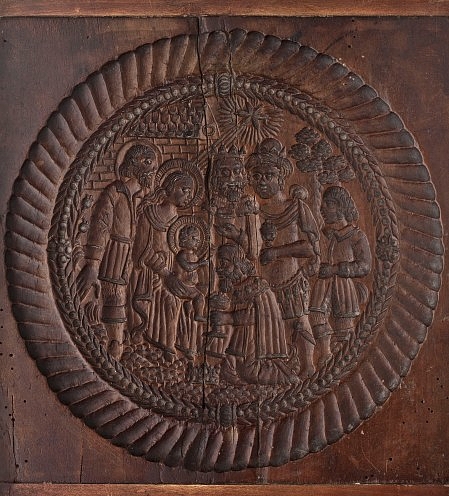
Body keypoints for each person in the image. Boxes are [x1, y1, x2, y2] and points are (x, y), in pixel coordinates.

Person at [246, 138, 320, 378]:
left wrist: (277, 252)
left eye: (269, 175)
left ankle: (308, 366)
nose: (262, 181)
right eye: (257, 176)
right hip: (265, 284)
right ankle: (279, 369)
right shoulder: (256, 211)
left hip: (292, 280)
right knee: (271, 327)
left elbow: (310, 247)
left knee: (298, 321)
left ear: (281, 178)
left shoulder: (296, 207)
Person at [77, 143, 159, 359]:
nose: (153, 170)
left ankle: (117, 346)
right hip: (112, 258)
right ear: (133, 164)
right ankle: (114, 347)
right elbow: (100, 228)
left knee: (122, 303)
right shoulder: (113, 192)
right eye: (148, 163)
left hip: (126, 261)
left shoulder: (137, 198)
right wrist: (92, 264)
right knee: (114, 301)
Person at [130, 159, 202, 362]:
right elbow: (141, 250)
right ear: (170, 188)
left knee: (189, 302)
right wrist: (165, 273)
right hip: (151, 275)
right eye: (184, 190)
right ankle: (166, 346)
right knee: (171, 300)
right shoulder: (149, 214)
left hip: (175, 274)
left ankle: (185, 347)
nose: (188, 196)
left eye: (191, 192)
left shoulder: (179, 222)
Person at [210, 244, 295, 385]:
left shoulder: (256, 285)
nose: (220, 268)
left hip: (256, 340)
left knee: (250, 373)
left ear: (237, 263)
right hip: (241, 338)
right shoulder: (239, 286)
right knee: (234, 364)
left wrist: (228, 318)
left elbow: (258, 315)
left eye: (224, 263)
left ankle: (286, 378)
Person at [309, 186, 372, 366]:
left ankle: (343, 360)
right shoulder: (325, 235)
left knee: (343, 323)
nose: (323, 209)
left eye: (329, 204)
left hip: (343, 286)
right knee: (316, 316)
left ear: (341, 207)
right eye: (323, 204)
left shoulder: (355, 236)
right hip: (323, 284)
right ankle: (325, 354)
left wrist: (337, 269)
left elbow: (365, 266)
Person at [172, 224, 208, 323]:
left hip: (190, 285)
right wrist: (199, 264)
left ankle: (188, 308)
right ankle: (198, 315)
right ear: (185, 239)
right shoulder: (181, 254)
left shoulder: (194, 255)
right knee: (199, 296)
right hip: (181, 284)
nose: (198, 241)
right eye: (194, 238)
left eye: (198, 239)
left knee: (199, 293)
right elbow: (188, 267)